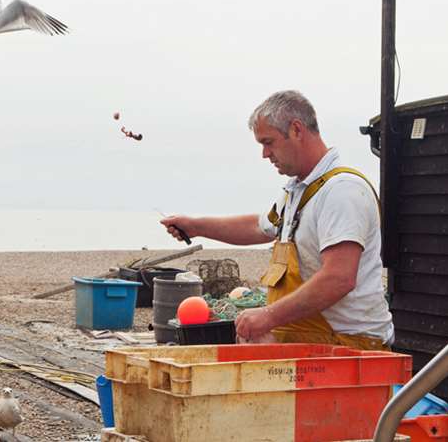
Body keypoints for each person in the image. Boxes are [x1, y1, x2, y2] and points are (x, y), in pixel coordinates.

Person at [160, 90, 392, 350]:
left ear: (296, 129)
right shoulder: (298, 192)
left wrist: (268, 316)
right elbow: (257, 227)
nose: (265, 154)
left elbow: (338, 278)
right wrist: (197, 226)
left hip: (350, 347)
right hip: (310, 340)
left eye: (268, 142)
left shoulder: (342, 191)